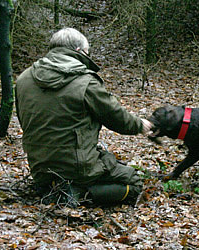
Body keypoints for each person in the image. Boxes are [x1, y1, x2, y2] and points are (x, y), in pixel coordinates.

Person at [15, 28, 153, 206]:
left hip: (39, 167)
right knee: (133, 183)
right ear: (79, 51)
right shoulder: (85, 81)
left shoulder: (23, 79)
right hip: (78, 168)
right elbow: (116, 117)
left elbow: (24, 121)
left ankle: (50, 187)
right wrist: (140, 124)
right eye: (88, 53)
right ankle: (78, 193)